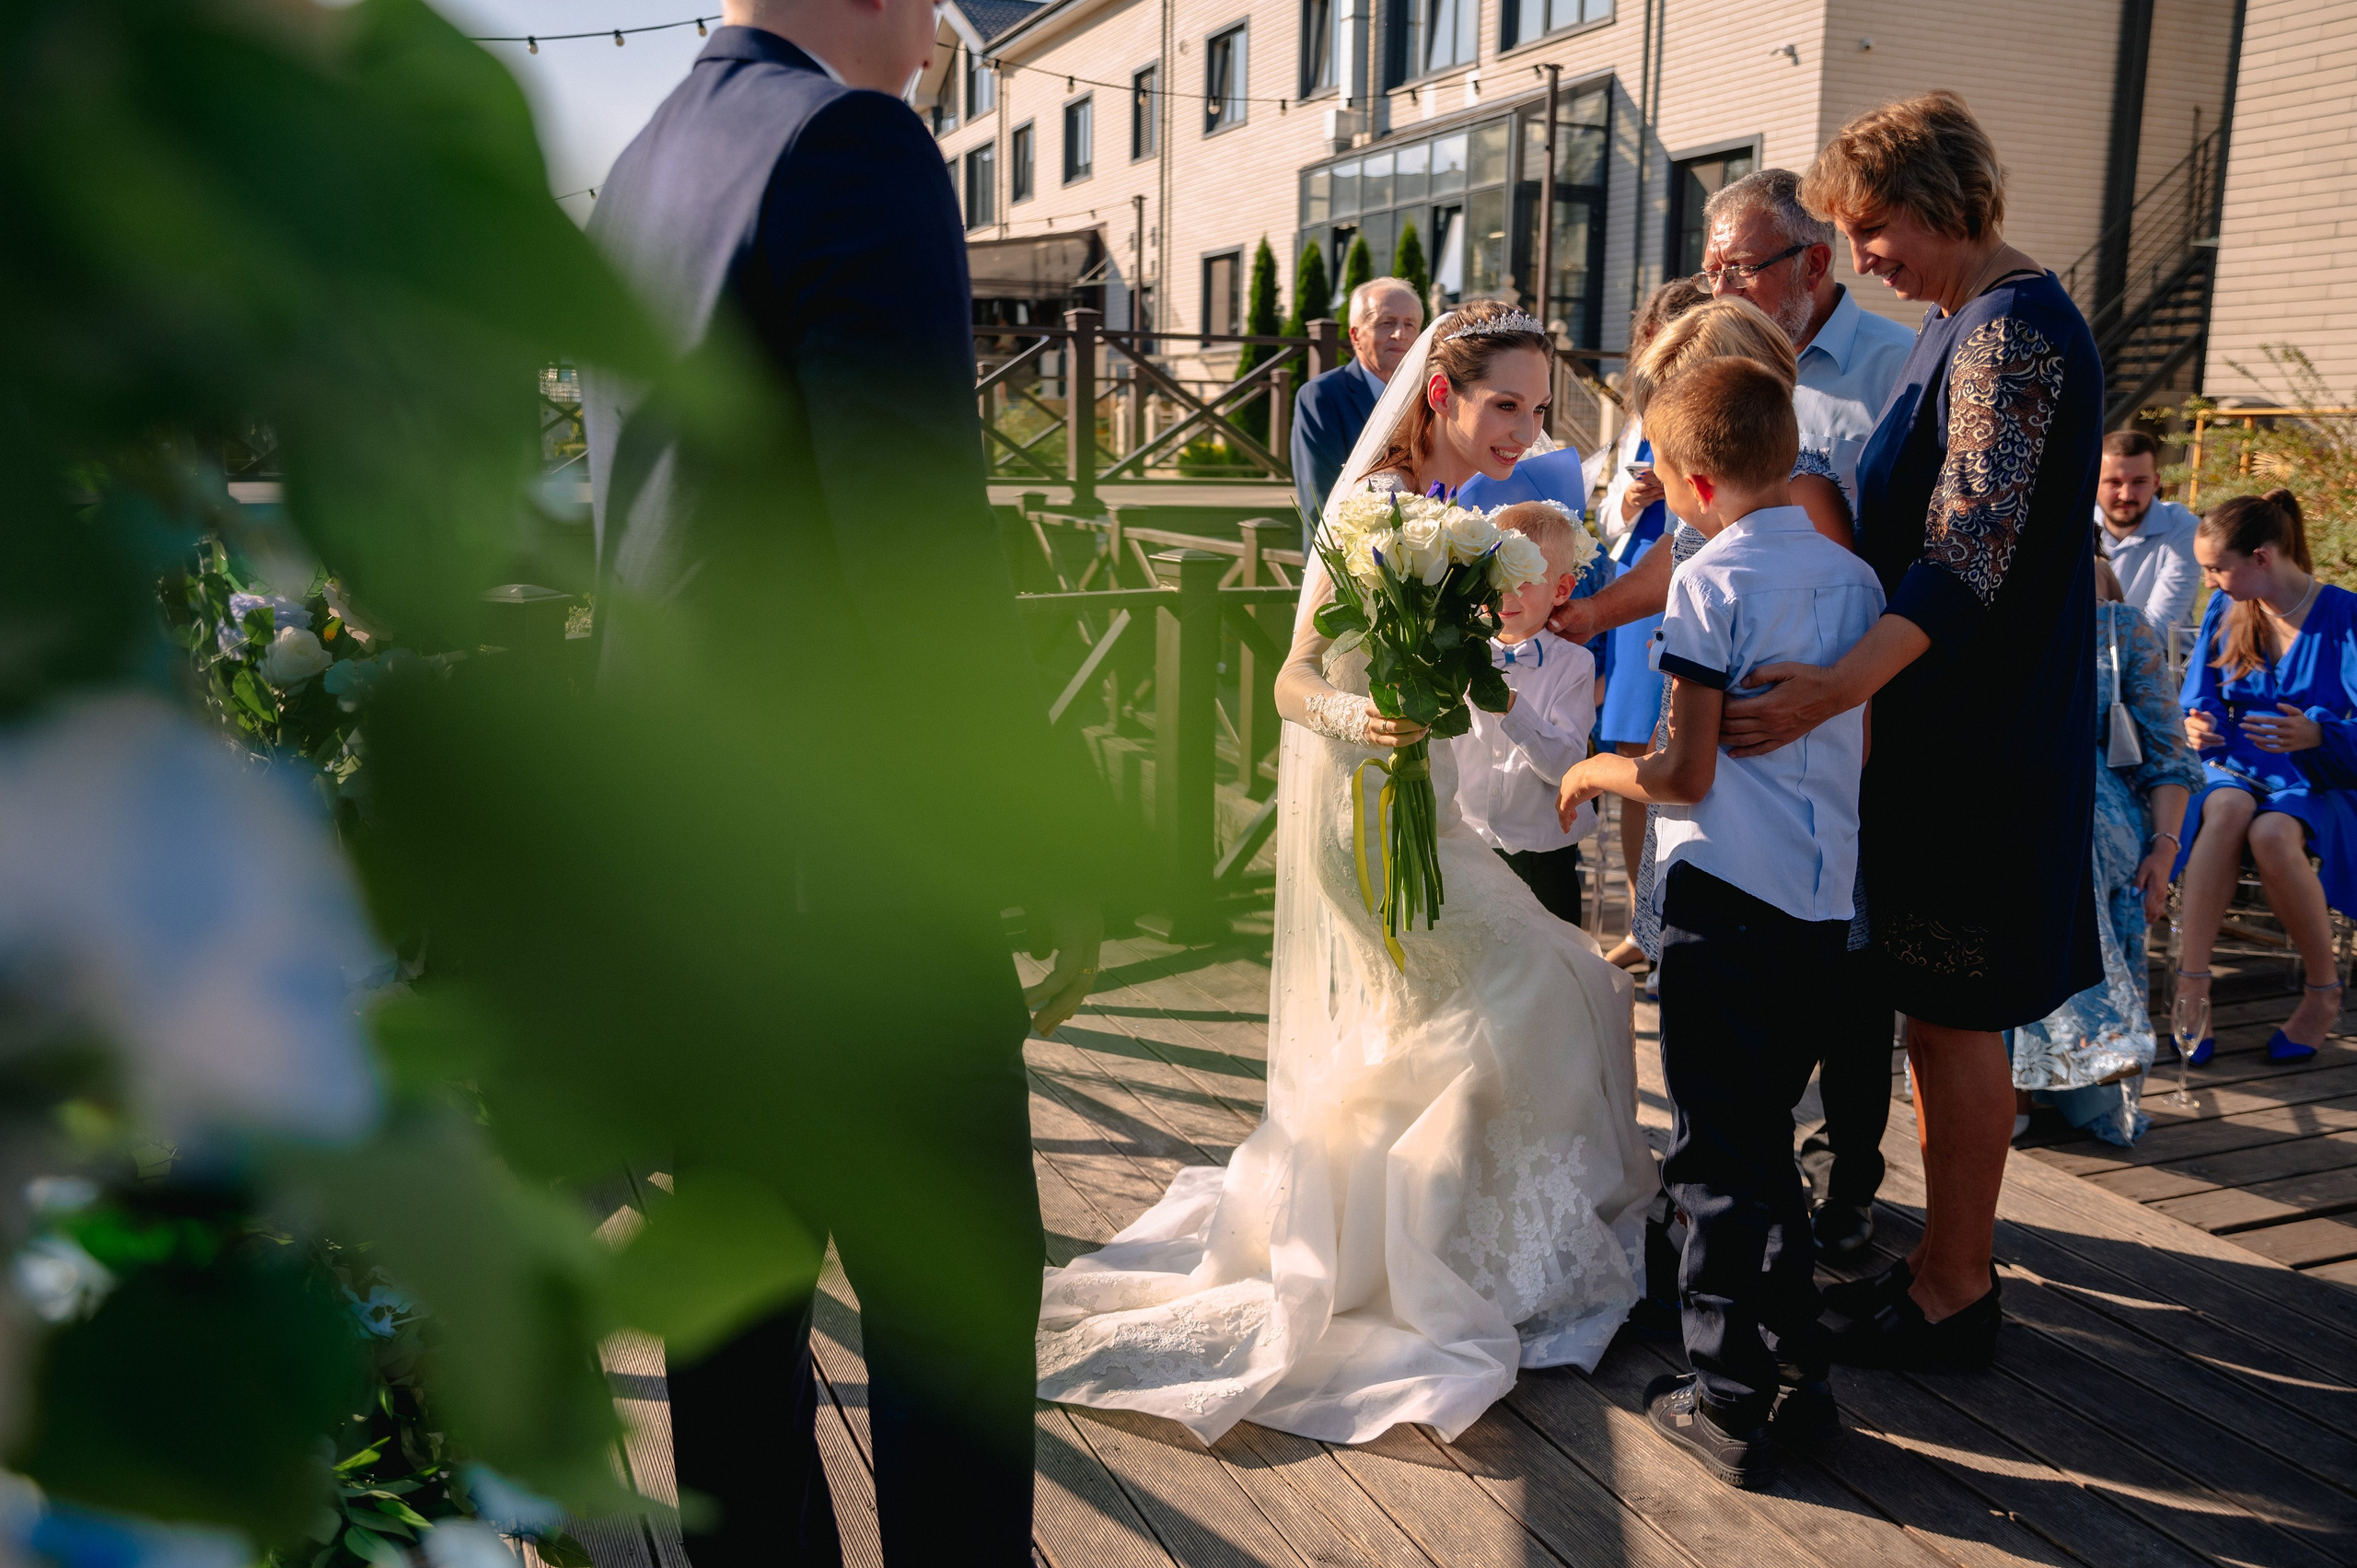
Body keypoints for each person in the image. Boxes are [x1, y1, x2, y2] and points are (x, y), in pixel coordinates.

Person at [581, 2, 1109, 1561]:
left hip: (684, 874)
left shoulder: (638, 169)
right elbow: (919, 550)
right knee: (952, 1345)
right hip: (859, 896)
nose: (948, 29)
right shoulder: (850, 146)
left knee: (734, 1356)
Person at [1037, 301, 1653, 1446]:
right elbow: (1289, 680)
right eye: (1503, 404)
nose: (1524, 428)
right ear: (1441, 396)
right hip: (1361, 812)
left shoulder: (1463, 515)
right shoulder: (1374, 508)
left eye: (1536, 407)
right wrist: (1359, 714)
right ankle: (1434, 1255)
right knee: (1541, 982)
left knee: (1527, 993)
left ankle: (1447, 1240)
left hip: (1426, 806)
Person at [1722, 92, 2107, 1372]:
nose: (1864, 255)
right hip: (1945, 733)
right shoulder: (1963, 323)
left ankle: (1956, 1289)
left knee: (1955, 1020)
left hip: (1977, 746)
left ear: (1945, 200)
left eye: (1874, 227)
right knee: (1937, 1018)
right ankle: (1947, 1261)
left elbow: (1964, 559)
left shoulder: (2013, 334)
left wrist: (1831, 693)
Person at [1558, 355, 1886, 1489]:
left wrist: (1605, 763)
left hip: (1722, 900)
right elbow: (1862, 742)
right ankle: (1800, 1367)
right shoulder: (1852, 579)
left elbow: (1686, 771)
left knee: (1710, 1149)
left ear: (1687, 482)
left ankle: (1725, 1392)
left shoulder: (1708, 580)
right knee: (1762, 1141)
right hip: (1819, 900)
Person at [2010, 557, 2199, 1144]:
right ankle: (2003, 1081)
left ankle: (2072, 1066)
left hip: (2097, 801)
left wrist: (2165, 849)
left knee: (2066, 838)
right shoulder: (1991, 600)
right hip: (2002, 792)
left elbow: (2168, 751)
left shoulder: (2120, 625)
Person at [2174, 489, 2357, 1063]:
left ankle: (2323, 993)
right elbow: (2197, 700)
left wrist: (2321, 734)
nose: (2209, 582)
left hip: (2318, 777)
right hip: (2234, 767)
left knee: (2272, 834)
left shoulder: (2346, 616)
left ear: (2262, 558)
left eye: (2215, 569)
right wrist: (2195, 726)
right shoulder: (2227, 610)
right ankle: (2191, 985)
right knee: (2226, 810)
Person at [1596, 280, 1708, 971]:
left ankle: (1684, 919)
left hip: (1695, 575)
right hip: (1638, 576)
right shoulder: (1637, 418)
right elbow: (1606, 522)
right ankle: (1642, 920)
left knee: (1685, 751)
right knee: (1638, 756)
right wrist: (1630, 502)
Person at [1701, 168, 1917, 502]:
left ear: (1814, 265)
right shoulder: (1713, 368)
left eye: (1742, 269)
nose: (1722, 292)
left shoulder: (1904, 369)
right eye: (1713, 274)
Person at [1455, 500, 1601, 926]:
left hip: (1543, 855)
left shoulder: (1573, 666)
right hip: (1469, 843)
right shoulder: (1459, 654)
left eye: (1524, 582)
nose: (1505, 594)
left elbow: (1567, 769)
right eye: (1495, 578)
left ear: (1561, 589)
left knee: (1552, 969)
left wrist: (1512, 709)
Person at [1292, 276, 1424, 537]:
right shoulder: (1322, 397)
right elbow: (1319, 498)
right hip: (1345, 556)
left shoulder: (1430, 397)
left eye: (1410, 324)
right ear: (1355, 335)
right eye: (1387, 323)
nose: (1400, 334)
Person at [2096, 428, 2201, 632]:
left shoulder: (2182, 528)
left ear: (2156, 483)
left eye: (2139, 482)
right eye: (2114, 483)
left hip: (2163, 659)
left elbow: (2160, 628)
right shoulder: (2079, 528)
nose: (2126, 495)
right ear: (2093, 482)